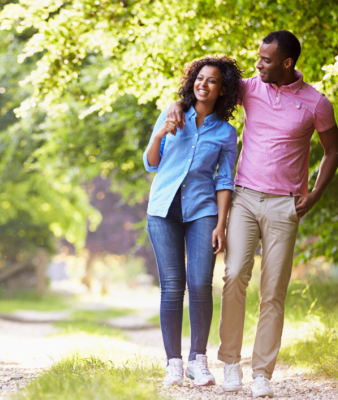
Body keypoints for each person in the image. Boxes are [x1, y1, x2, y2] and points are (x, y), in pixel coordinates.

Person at [166, 30, 338, 397]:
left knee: (274, 290)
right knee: (233, 278)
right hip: (243, 197)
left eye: (265, 60)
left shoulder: (316, 103)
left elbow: (332, 151)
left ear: (287, 63)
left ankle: (262, 373)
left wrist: (316, 192)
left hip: (284, 204)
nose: (257, 64)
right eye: (258, 58)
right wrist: (174, 106)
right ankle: (230, 364)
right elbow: (204, 88)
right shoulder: (247, 88)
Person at [143, 56, 242, 387]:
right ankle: (173, 362)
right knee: (172, 286)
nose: (204, 84)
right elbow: (151, 163)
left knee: (200, 283)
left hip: (202, 211)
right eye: (200, 78)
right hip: (163, 210)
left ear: (222, 90)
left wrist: (221, 224)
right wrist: (160, 134)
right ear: (192, 81)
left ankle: (198, 361)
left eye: (212, 80)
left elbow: (224, 180)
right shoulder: (172, 113)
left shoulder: (227, 133)